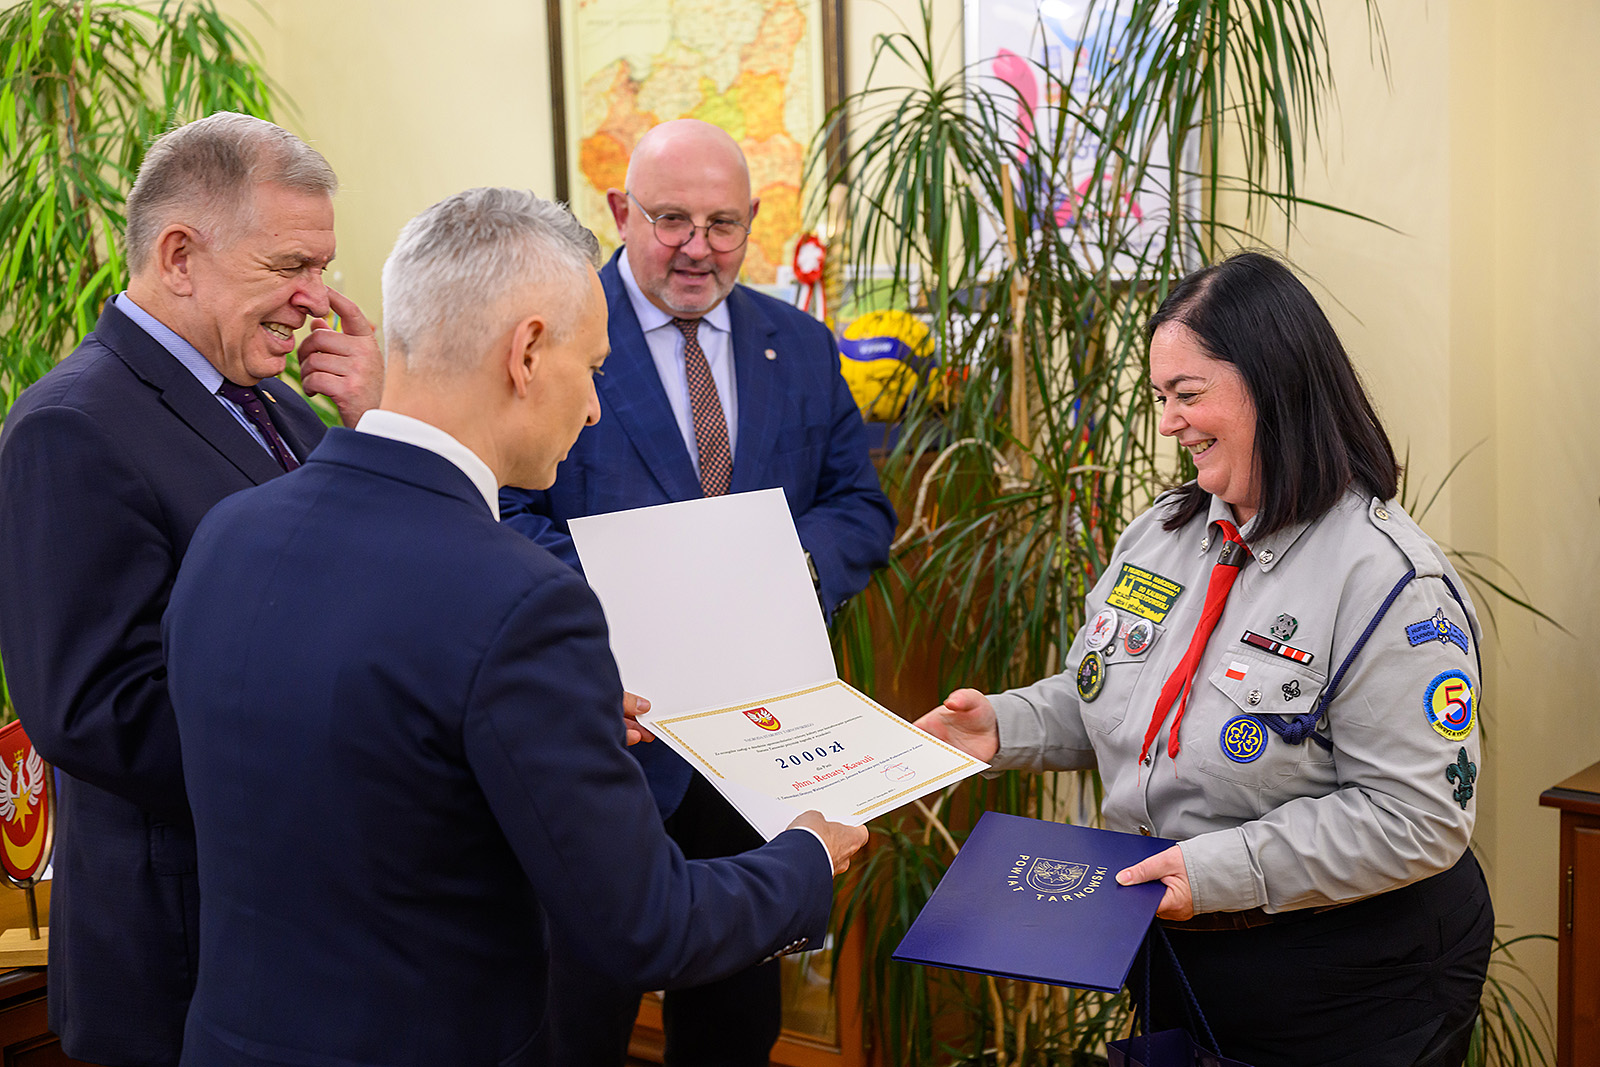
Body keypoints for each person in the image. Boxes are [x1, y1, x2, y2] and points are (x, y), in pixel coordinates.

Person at [161, 187, 869, 1067]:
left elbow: (361, 762)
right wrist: (804, 852)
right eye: (595, 368)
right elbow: (646, 926)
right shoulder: (522, 598)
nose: (596, 408)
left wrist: (540, 719)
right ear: (527, 353)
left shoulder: (231, 530)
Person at [916, 251, 1493, 1067]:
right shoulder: (1164, 535)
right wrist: (1000, 727)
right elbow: (1122, 701)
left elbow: (1418, 817)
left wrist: (1212, 869)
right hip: (1175, 949)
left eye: (1187, 395)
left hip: (1346, 976)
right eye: (1159, 397)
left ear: (1277, 385)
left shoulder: (1390, 580)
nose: (1167, 423)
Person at [500, 119, 896, 1065]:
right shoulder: (551, 335)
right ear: (618, 213)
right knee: (574, 1023)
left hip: (755, 753)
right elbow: (506, 513)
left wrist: (788, 570)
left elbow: (859, 506)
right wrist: (645, 601)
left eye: (723, 224)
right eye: (670, 218)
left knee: (733, 1026)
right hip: (606, 737)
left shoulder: (797, 344)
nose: (697, 246)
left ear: (754, 222)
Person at [0, 112, 381, 1066]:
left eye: (323, 266)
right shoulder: (70, 425)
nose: (316, 299)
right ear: (179, 255)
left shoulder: (288, 406)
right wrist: (352, 761)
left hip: (299, 936)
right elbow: (98, 710)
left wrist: (379, 427)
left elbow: (374, 589)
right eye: (290, 265)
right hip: (184, 951)